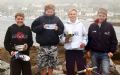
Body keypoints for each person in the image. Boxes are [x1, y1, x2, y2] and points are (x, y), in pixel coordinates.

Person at [31, 4, 64, 75]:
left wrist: (57, 29)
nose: (49, 13)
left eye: (51, 11)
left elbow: (61, 30)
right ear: (45, 11)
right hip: (42, 46)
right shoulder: (40, 19)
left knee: (51, 66)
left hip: (53, 46)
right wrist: (42, 27)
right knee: (42, 66)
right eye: (48, 11)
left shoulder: (57, 19)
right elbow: (33, 28)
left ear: (53, 11)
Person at [86, 8, 118, 75]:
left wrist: (112, 51)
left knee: (105, 72)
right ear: (97, 15)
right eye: (100, 15)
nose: (101, 17)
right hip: (94, 54)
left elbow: (114, 40)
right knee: (95, 72)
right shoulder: (92, 26)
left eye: (103, 16)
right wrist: (87, 50)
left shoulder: (109, 26)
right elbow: (88, 39)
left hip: (105, 54)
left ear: (106, 17)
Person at [61, 8, 87, 75]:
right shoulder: (65, 25)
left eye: (74, 14)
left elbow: (85, 36)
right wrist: (66, 40)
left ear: (76, 15)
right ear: (68, 15)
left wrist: (84, 43)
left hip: (79, 50)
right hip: (69, 50)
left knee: (81, 69)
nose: (72, 15)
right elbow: (61, 38)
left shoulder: (81, 24)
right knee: (69, 68)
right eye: (71, 14)